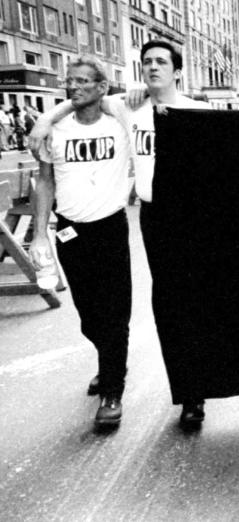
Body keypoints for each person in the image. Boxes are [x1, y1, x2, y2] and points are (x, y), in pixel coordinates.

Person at [30, 39, 212, 429]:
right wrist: (45, 119)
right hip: (143, 218)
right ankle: (113, 362)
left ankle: (179, 393)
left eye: (161, 61)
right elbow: (81, 101)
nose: (152, 67)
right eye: (146, 62)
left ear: (178, 70)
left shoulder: (200, 112)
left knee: (185, 305)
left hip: (186, 218)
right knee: (111, 314)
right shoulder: (127, 110)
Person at [31, 57, 133, 428]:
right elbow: (45, 182)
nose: (72, 87)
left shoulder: (119, 124)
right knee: (88, 316)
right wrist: (40, 233)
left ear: (102, 88)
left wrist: (47, 115)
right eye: (69, 81)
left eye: (82, 82)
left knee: (115, 313)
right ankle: (111, 361)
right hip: (70, 231)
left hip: (110, 228)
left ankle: (112, 390)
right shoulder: (55, 131)